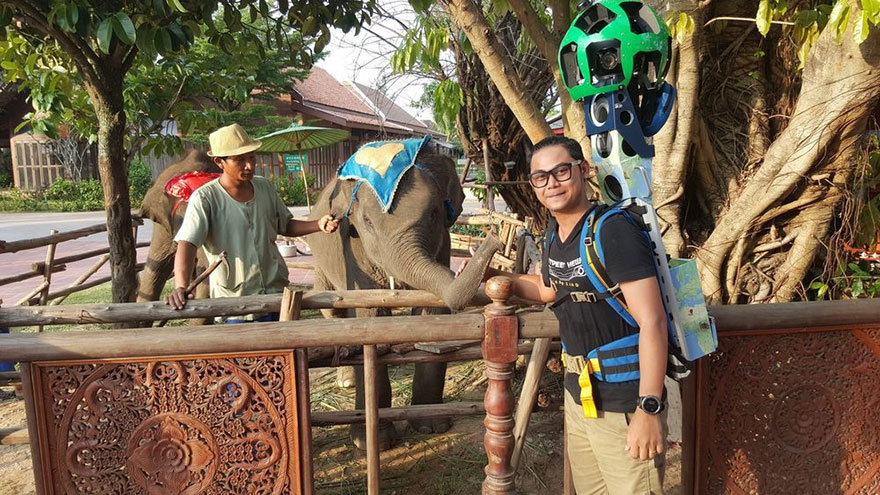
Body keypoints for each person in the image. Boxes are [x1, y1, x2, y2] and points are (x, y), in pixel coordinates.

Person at [458, 136, 667, 494]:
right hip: (580, 395)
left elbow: (653, 321)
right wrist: (492, 276)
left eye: (561, 171)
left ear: (583, 171)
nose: (551, 183)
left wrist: (648, 409)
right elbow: (548, 289)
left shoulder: (613, 230)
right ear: (532, 184)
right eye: (540, 176)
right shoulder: (555, 234)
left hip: (625, 400)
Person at [165, 123, 339, 319]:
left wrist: (318, 224)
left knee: (284, 348)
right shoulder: (205, 198)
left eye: (251, 158)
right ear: (219, 162)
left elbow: (285, 225)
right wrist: (180, 286)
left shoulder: (265, 188)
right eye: (239, 160)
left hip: (277, 296)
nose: (249, 165)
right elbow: (187, 244)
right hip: (234, 304)